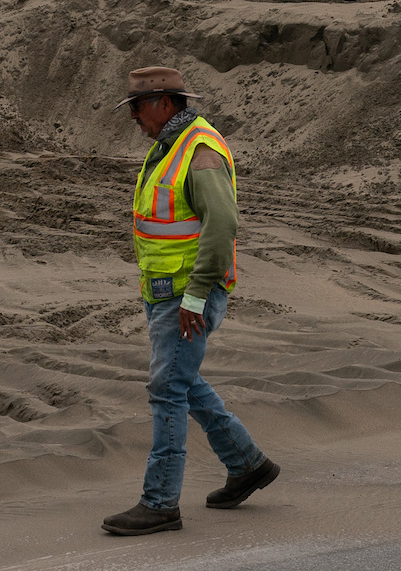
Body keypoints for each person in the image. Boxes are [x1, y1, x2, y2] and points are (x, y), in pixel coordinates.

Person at [102, 66, 279, 537]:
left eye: (137, 108)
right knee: (183, 381)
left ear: (163, 103)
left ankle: (160, 502)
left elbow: (222, 228)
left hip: (188, 293)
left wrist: (197, 297)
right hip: (166, 291)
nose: (134, 118)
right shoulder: (171, 147)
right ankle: (248, 465)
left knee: (167, 389)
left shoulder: (199, 151)